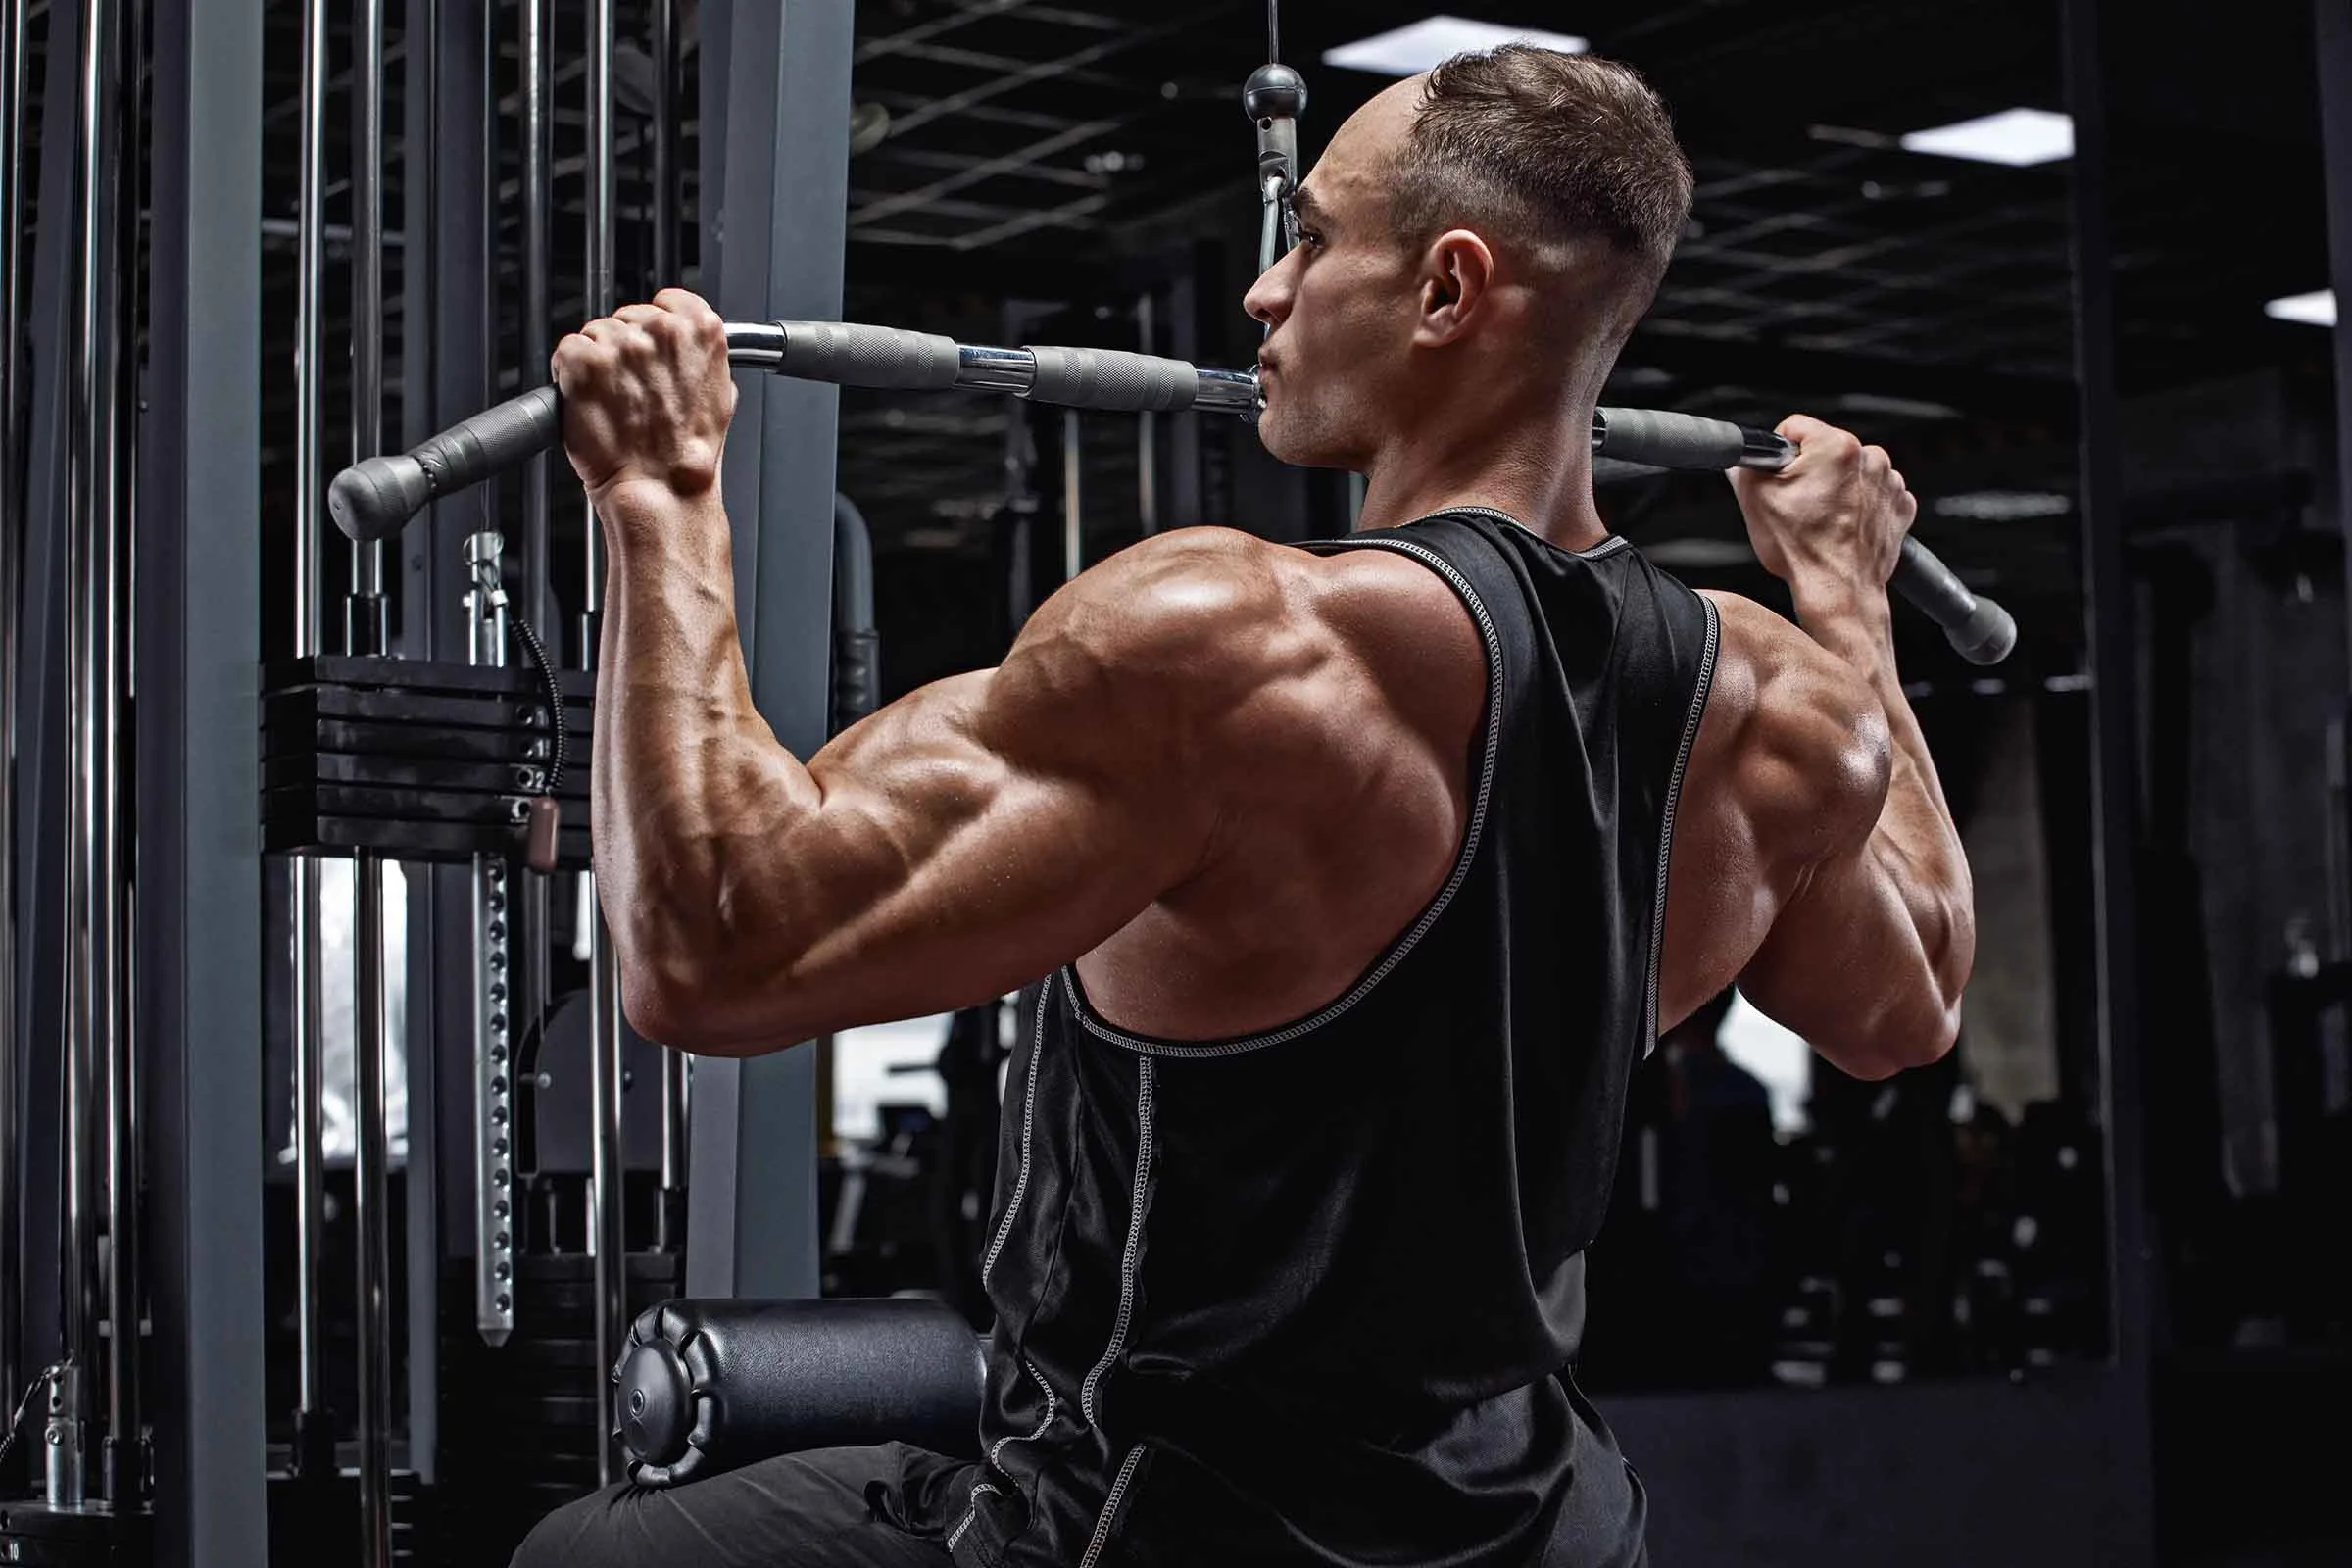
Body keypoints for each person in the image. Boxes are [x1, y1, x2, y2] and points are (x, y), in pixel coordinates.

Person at [513, 42, 1974, 1568]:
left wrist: (663, 495)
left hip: (1164, 1526)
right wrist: (1852, 602)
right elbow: (1912, 1000)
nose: (1268, 291)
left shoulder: (1236, 649)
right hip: (1535, 1529)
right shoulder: (1785, 711)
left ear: (1448, 293)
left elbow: (713, 948)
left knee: (595, 1555)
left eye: (1319, 238)